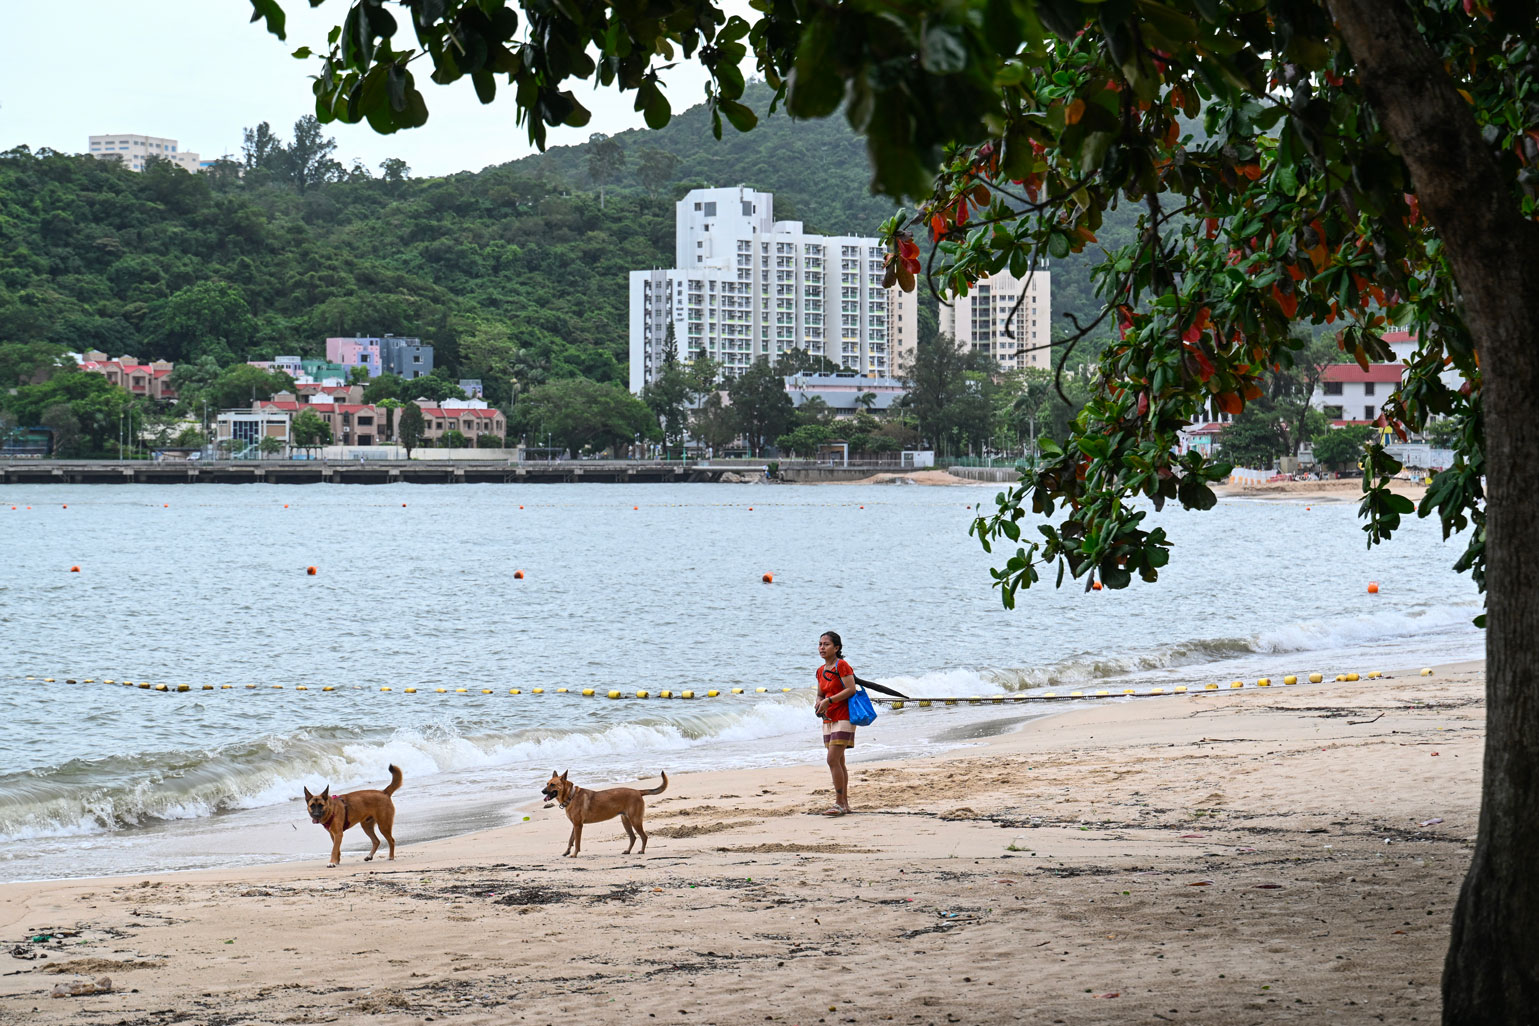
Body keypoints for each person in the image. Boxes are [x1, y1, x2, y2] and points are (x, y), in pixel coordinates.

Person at [814, 630, 859, 816]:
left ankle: (839, 803)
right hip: (828, 719)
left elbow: (851, 690)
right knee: (839, 760)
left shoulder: (842, 666)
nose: (822, 648)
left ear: (837, 648)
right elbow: (820, 693)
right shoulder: (820, 670)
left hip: (844, 716)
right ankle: (844, 804)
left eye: (826, 644)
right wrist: (819, 702)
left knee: (832, 759)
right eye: (820, 644)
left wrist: (829, 701)